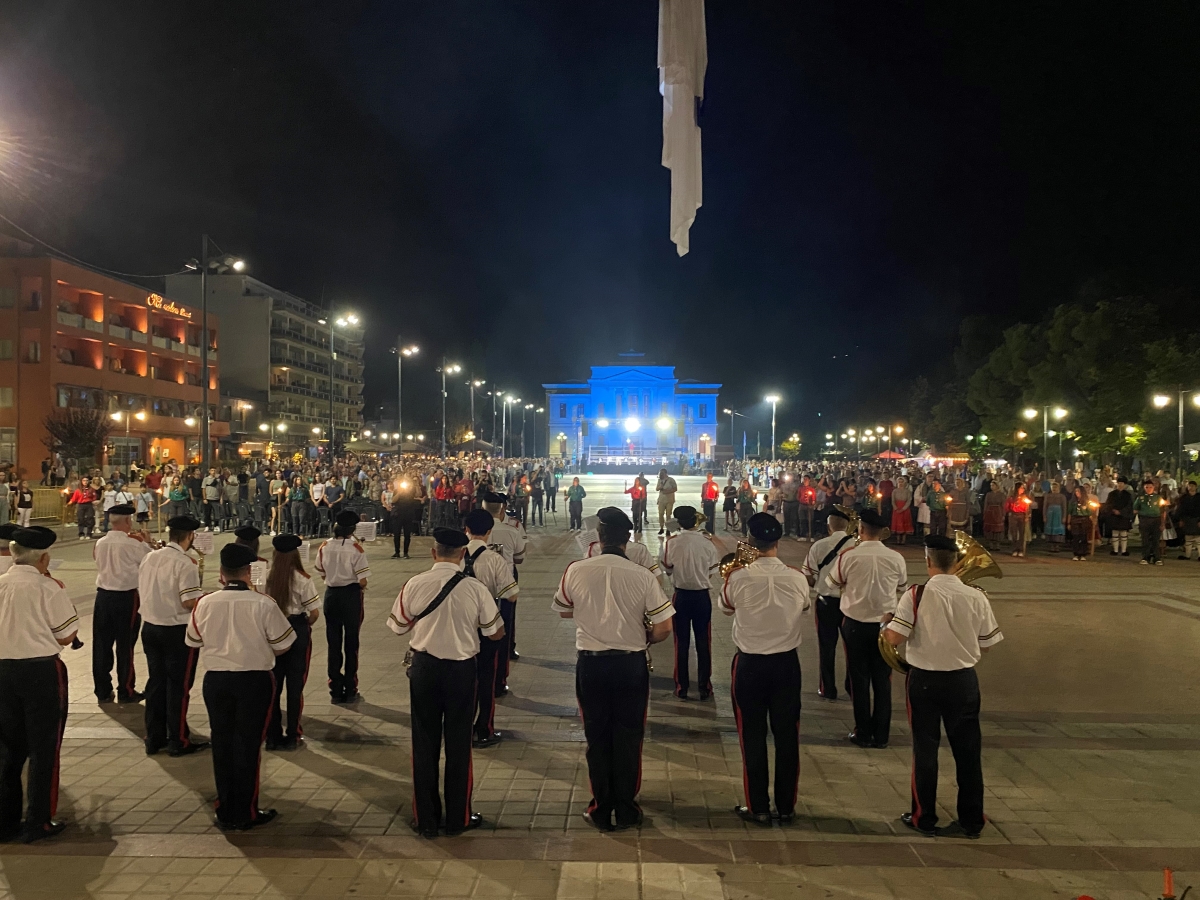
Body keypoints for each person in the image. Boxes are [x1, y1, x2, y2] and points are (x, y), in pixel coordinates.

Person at [554, 507, 673, 831]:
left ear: (599, 538)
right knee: (628, 735)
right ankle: (626, 806)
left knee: (597, 735)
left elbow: (564, 611)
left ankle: (601, 806)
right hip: (629, 665)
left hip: (591, 664)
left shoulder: (576, 569)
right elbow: (664, 628)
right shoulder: (643, 575)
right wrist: (644, 637)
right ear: (628, 539)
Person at [883, 534, 1004, 838]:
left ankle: (924, 817)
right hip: (963, 681)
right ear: (956, 563)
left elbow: (895, 639)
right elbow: (987, 645)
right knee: (968, 752)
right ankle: (972, 819)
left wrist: (887, 624)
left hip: (924, 681)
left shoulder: (916, 594)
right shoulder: (977, 596)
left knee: (925, 750)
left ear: (927, 562)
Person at [388, 527, 504, 838]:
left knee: (424, 744)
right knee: (459, 744)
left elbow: (398, 626)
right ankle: (458, 817)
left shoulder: (414, 583)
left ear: (433, 552)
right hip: (462, 671)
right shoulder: (475, 589)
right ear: (463, 554)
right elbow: (495, 632)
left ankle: (425, 818)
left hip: (424, 669)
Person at [186, 542, 296, 831]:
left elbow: (193, 641)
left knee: (221, 742)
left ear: (221, 573)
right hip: (254, 680)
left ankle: (226, 806)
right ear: (249, 572)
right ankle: (245, 810)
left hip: (217, 680)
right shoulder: (263, 604)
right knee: (248, 745)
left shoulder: (205, 603)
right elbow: (284, 645)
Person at [719, 512, 806, 826]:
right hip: (787, 665)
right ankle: (786, 806)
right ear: (778, 542)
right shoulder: (797, 577)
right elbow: (805, 606)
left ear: (750, 541)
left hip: (750, 665)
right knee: (787, 737)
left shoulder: (738, 577)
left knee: (751, 736)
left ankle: (758, 806)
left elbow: (726, 607)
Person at [0, 526, 78, 842]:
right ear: (43, 558)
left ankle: (5, 822)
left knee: (6, 750)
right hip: (40, 672)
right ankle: (38, 820)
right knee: (44, 748)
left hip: (2, 672)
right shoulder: (47, 588)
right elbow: (66, 634)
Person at [831, 509, 907, 749]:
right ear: (882, 532)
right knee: (883, 680)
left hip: (855, 624)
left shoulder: (848, 555)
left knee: (859, 680)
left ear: (861, 530)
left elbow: (833, 582)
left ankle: (863, 732)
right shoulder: (896, 558)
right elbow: (903, 586)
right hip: (886, 625)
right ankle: (881, 735)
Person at [138, 515, 208, 757]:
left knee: (156, 683)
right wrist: (205, 597)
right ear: (190, 536)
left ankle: (153, 737)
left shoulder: (149, 557)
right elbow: (188, 601)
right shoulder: (184, 563)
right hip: (176, 630)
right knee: (178, 686)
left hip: (149, 627)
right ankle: (178, 740)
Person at [462, 510, 519, 748]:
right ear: (488, 532)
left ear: (466, 530)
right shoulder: (494, 559)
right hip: (485, 627)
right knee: (486, 677)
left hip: (459, 626)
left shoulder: (454, 555)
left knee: (463, 677)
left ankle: (461, 726)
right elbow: (511, 596)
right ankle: (483, 728)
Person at [264, 534, 320, 750]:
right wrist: (305, 625)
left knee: (274, 686)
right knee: (295, 687)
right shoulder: (303, 578)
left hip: (274, 632)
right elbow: (314, 613)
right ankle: (293, 735)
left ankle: (272, 735)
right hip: (297, 630)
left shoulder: (268, 577)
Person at [92, 503, 150, 704]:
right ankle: (126, 690)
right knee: (126, 646)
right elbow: (149, 563)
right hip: (126, 597)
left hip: (103, 596)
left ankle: (102, 690)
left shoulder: (100, 543)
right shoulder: (134, 543)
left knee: (101, 645)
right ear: (127, 520)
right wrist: (147, 542)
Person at [658, 506, 719, 701]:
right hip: (702, 597)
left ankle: (682, 687)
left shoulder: (671, 543)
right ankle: (704, 686)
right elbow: (712, 570)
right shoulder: (707, 542)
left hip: (681, 597)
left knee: (681, 643)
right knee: (704, 642)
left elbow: (667, 568)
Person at [316, 510, 371, 702]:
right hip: (351, 596)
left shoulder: (324, 547)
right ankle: (350, 685)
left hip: (331, 595)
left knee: (333, 642)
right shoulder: (356, 549)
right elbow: (362, 580)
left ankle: (335, 686)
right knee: (351, 642)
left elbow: (321, 572)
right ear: (352, 530)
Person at [802, 508, 853, 702]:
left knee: (827, 646)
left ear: (829, 526)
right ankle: (851, 685)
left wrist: (820, 582)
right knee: (851, 648)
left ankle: (828, 688)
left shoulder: (819, 546)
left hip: (826, 602)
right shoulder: (856, 546)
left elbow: (808, 575)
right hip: (850, 602)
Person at [483, 495, 526, 673]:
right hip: (506, 576)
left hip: (483, 577)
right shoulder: (512, 529)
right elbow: (520, 557)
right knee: (505, 617)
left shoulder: (475, 529)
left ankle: (505, 649)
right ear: (502, 508)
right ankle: (501, 660)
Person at [1133, 480, 1166, 566]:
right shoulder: (1140, 498)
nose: (1148, 489)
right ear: (1144, 488)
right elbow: (1135, 509)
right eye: (1146, 487)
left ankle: (1156, 558)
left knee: (1155, 540)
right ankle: (1145, 557)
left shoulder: (1158, 497)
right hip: (1144, 520)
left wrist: (1163, 523)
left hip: (1156, 520)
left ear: (1154, 487)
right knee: (1145, 539)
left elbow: (1163, 511)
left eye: (1150, 487)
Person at [1106, 475, 1134, 556]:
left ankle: (1124, 550)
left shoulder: (1128, 495)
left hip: (1124, 516)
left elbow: (1129, 506)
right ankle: (1115, 550)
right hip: (1114, 515)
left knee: (1123, 533)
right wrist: (1113, 510)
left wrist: (1121, 512)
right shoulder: (1111, 494)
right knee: (1115, 533)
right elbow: (1108, 504)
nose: (1120, 485)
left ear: (1125, 484)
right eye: (1119, 483)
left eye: (1122, 483)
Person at [1176, 481, 1200, 561]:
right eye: (1189, 486)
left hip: (1197, 519)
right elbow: (1180, 509)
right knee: (1188, 538)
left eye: (1193, 486)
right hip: (1187, 519)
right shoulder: (1183, 498)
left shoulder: (1199, 497)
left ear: (1196, 487)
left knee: (1198, 539)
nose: (1191, 487)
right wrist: (1181, 519)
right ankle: (1187, 555)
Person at [1067, 486, 1092, 561]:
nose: (1077, 493)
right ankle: (1076, 553)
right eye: (1076, 491)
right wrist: (1068, 523)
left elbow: (1089, 512)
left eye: (1078, 491)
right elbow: (1069, 513)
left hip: (1084, 519)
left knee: (1083, 537)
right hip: (1075, 519)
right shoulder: (1072, 502)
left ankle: (1083, 554)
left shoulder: (1087, 501)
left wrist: (1093, 520)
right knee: (1076, 537)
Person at [655, 468, 678, 536]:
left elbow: (675, 488)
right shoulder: (659, 480)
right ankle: (661, 528)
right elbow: (656, 489)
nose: (660, 474)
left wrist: (667, 492)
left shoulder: (671, 480)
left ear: (665, 473)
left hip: (669, 500)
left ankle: (668, 529)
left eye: (662, 473)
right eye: (660, 473)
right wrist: (660, 486)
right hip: (661, 500)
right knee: (660, 514)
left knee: (668, 515)